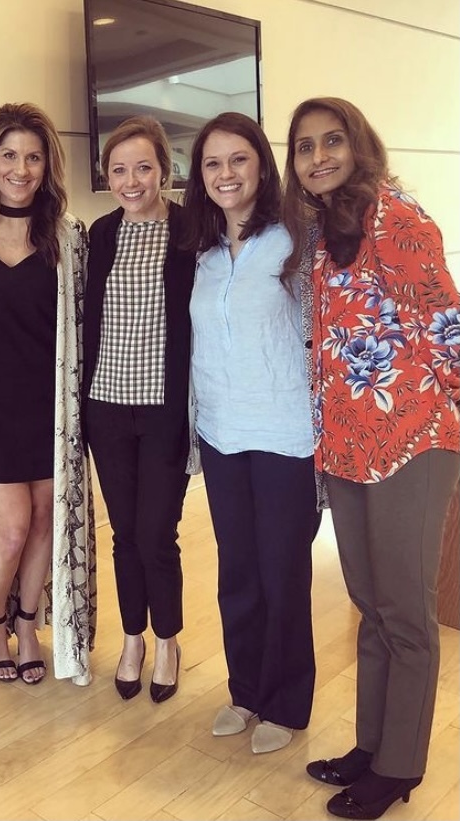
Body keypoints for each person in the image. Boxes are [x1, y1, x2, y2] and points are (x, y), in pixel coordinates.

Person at [283, 97, 460, 819]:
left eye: (332, 141)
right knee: (369, 604)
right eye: (304, 147)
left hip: (411, 439)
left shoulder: (399, 218)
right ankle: (371, 746)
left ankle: (398, 767)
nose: (318, 156)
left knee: (406, 612)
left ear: (358, 145)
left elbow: (446, 324)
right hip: (349, 446)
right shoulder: (324, 233)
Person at [0, 102, 96, 686]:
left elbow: (82, 323)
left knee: (44, 524)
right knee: (8, 529)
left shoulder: (67, 235)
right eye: (9, 155)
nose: (20, 169)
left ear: (47, 165)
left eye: (33, 157)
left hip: (50, 408)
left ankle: (29, 627)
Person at [182, 112, 322, 752]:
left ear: (263, 166)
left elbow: (321, 330)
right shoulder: (205, 253)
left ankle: (285, 706)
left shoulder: (296, 239)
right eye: (212, 163)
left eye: (238, 159)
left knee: (282, 572)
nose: (226, 173)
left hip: (285, 434)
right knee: (237, 570)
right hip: (221, 433)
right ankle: (245, 692)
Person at [82, 115, 195, 703]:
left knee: (157, 534)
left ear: (165, 170)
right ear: (108, 176)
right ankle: (132, 639)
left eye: (143, 168)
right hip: (107, 406)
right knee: (124, 533)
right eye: (119, 170)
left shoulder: (190, 231)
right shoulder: (100, 235)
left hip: (163, 410)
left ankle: (168, 640)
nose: (131, 181)